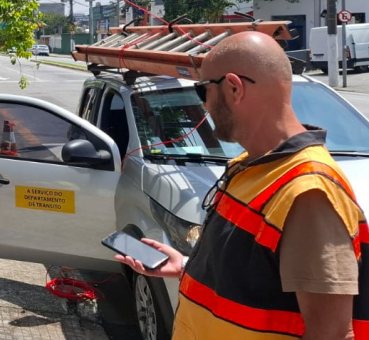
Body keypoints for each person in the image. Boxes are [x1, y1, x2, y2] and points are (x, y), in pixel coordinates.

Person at [116, 31, 369, 340]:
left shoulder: (308, 191)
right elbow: (256, 280)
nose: (204, 105)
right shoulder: (250, 168)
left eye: (202, 90)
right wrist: (185, 265)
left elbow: (331, 333)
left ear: (234, 88)